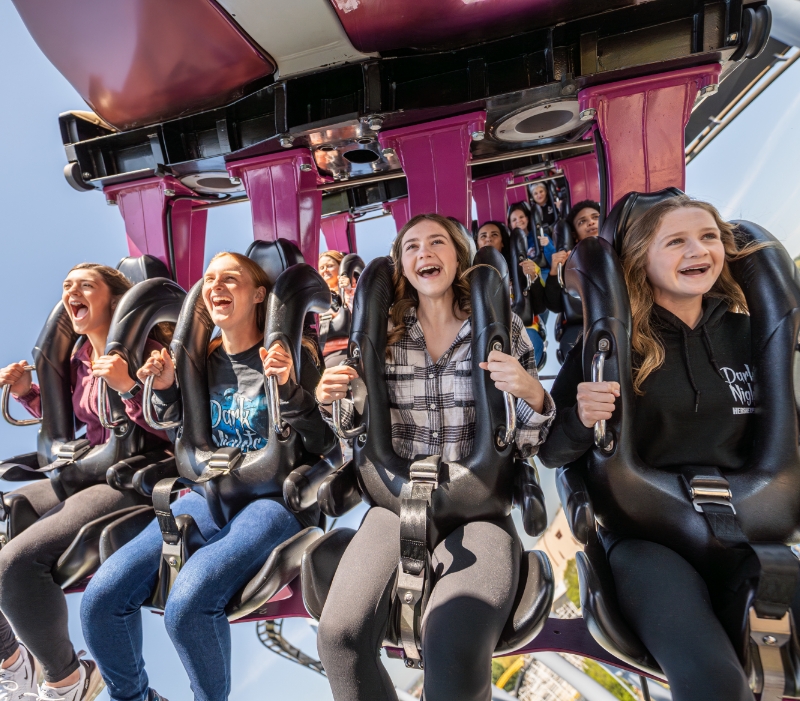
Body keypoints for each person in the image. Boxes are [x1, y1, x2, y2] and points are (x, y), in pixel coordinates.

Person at [538, 195, 782, 701]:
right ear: (639, 259)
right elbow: (553, 452)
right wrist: (583, 419)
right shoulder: (607, 347)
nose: (699, 250)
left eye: (709, 236)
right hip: (649, 537)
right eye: (676, 241)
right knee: (715, 683)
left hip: (750, 525)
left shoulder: (752, 334)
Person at [314, 213, 554, 701]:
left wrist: (533, 394)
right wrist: (332, 401)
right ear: (402, 266)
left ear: (458, 258)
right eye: (412, 247)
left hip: (478, 509)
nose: (425, 252)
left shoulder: (499, 326)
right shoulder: (380, 336)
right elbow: (352, 435)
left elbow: (529, 439)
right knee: (339, 638)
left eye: (437, 242)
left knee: (454, 645)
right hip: (394, 504)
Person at [80, 252, 335, 701]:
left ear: (258, 294)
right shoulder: (201, 361)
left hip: (272, 501)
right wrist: (159, 386)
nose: (217, 286)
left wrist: (291, 388)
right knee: (101, 599)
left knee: (188, 606)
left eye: (231, 279)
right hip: (206, 494)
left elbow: (325, 443)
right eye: (210, 279)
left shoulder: (293, 354)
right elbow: (171, 420)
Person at [0, 263, 170, 701]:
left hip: (127, 475)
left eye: (85, 286)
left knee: (14, 564)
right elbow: (73, 418)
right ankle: (13, 662)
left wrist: (130, 387)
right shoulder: (77, 356)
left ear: (114, 300)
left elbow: (174, 425)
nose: (71, 292)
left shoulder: (146, 350)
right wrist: (25, 393)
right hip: (82, 468)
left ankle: (68, 680)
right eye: (66, 286)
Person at [476, 221, 547, 367]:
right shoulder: (471, 276)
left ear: (502, 242)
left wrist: (533, 277)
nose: (488, 238)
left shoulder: (523, 268)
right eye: (483, 236)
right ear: (477, 243)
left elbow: (540, 307)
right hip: (486, 331)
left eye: (494, 235)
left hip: (523, 327)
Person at [317, 250, 349, 367]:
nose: (325, 270)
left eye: (330, 266)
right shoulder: (315, 298)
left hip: (345, 350)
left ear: (341, 268)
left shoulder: (349, 291)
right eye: (322, 267)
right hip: (322, 354)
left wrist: (348, 287)